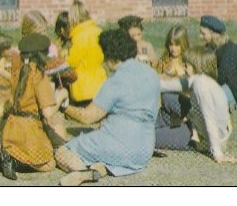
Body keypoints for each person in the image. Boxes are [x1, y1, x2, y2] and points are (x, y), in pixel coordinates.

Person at [54, 28, 160, 186]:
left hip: (118, 145)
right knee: (106, 157)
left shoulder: (115, 81)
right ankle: (97, 170)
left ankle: (81, 173)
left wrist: (64, 106)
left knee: (62, 152)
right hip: (144, 150)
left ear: (110, 56)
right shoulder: (151, 74)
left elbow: (87, 117)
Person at [0, 33, 67, 180]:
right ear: (43, 55)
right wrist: (61, 96)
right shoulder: (39, 75)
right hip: (29, 128)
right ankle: (13, 160)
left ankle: (2, 153)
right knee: (49, 163)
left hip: (12, 127)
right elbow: (48, 112)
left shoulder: (17, 72)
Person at [155, 46, 235, 163]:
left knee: (151, 137)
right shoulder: (199, 79)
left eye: (186, 66)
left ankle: (149, 131)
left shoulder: (201, 86)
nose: (184, 68)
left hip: (203, 138)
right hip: (197, 121)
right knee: (168, 96)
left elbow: (210, 119)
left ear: (197, 67)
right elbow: (168, 85)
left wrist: (218, 153)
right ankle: (154, 124)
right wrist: (149, 81)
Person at [199, 15, 237, 110]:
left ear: (213, 34)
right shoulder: (210, 47)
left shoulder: (230, 51)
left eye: (203, 34)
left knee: (207, 101)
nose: (200, 36)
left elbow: (221, 77)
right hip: (222, 85)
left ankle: (233, 105)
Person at [65, 1, 107, 105]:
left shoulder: (79, 36)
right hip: (100, 82)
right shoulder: (98, 31)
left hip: (83, 87)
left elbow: (73, 62)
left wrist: (65, 57)